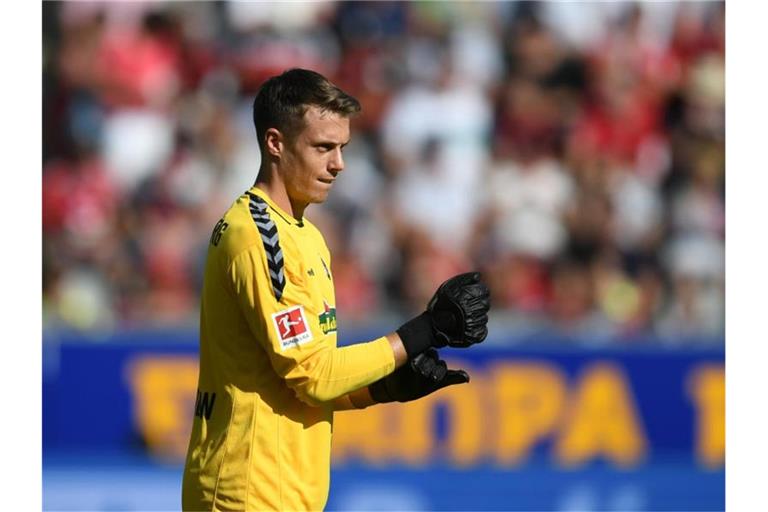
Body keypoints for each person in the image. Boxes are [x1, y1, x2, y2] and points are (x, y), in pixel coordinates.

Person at [181, 68, 491, 511]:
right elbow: (314, 375)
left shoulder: (303, 233)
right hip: (247, 494)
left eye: (342, 148)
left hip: (284, 493)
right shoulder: (258, 236)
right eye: (323, 147)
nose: (338, 164)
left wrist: (383, 389)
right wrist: (423, 331)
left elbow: (302, 385)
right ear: (275, 143)